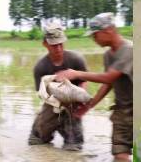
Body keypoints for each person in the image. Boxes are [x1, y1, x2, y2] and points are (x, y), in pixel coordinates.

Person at [55, 13, 133, 161]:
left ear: (108, 30)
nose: (94, 39)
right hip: (122, 111)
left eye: (95, 35)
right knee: (120, 154)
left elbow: (109, 77)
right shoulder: (108, 56)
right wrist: (89, 105)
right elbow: (108, 83)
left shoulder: (129, 50)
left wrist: (76, 73)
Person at [28, 20, 89, 151]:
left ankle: (71, 140)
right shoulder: (40, 67)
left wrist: (81, 96)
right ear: (45, 44)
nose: (59, 49)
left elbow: (84, 79)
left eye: (61, 44)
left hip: (74, 103)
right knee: (36, 139)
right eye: (54, 45)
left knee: (73, 145)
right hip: (52, 103)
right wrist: (58, 102)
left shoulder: (76, 59)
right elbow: (42, 94)